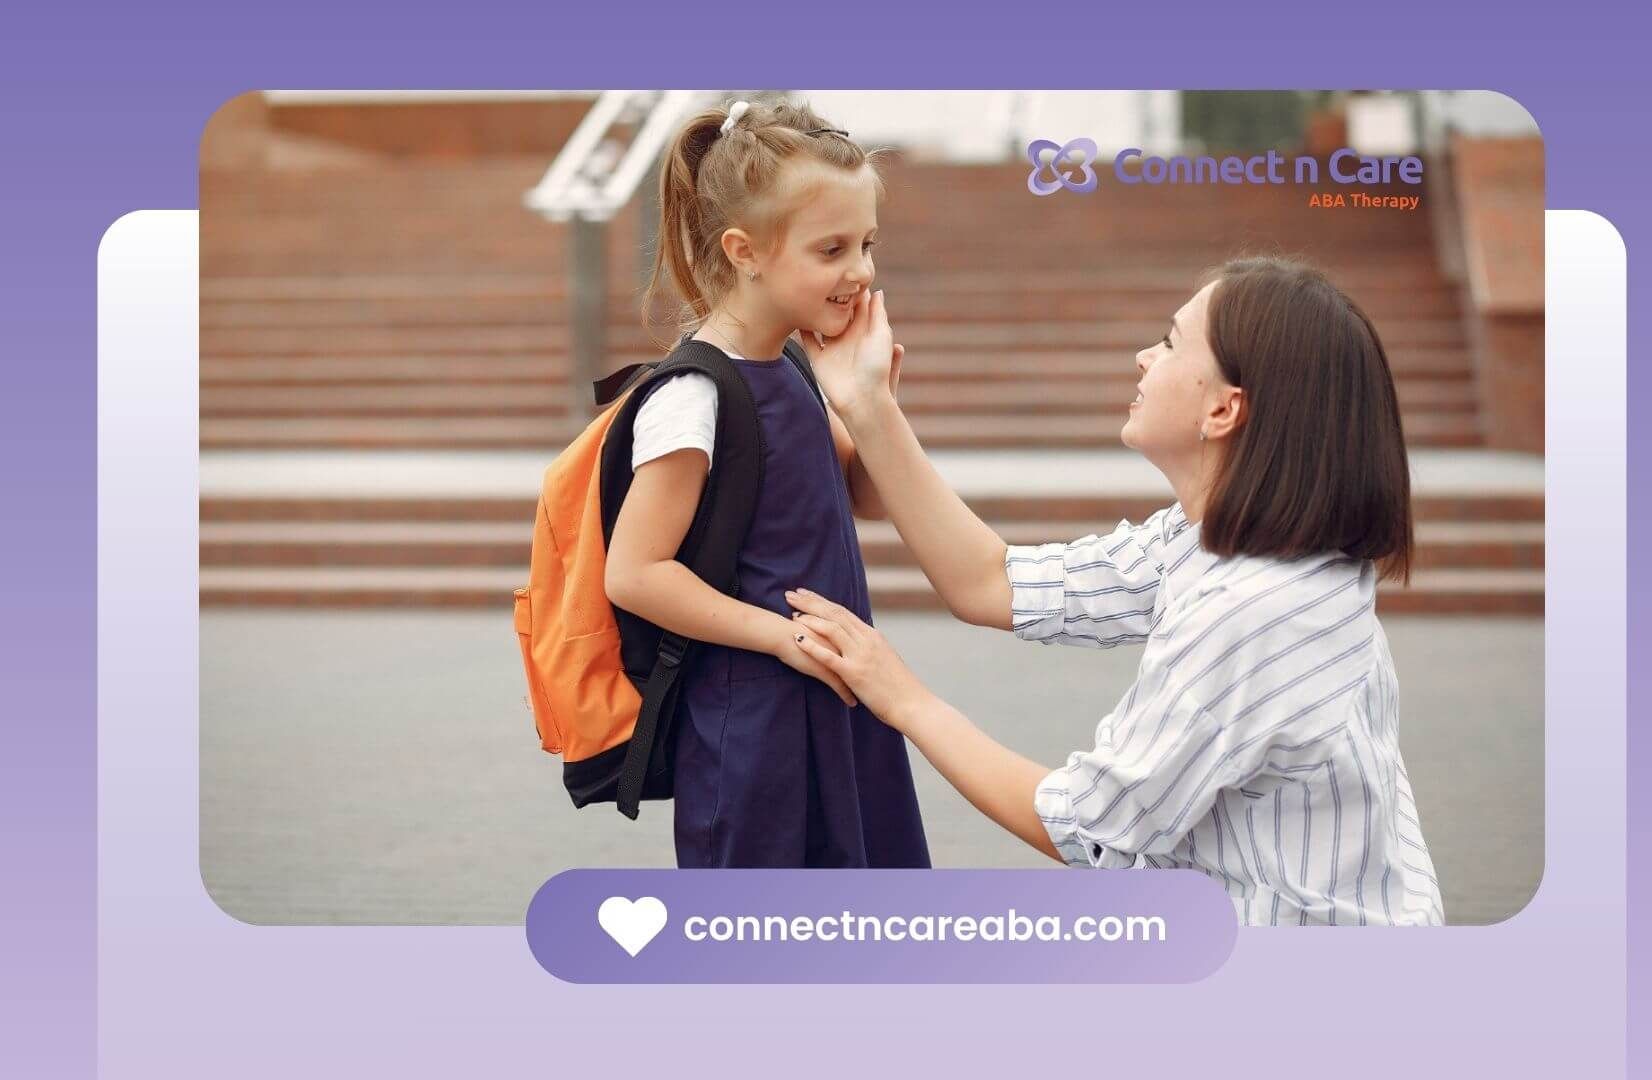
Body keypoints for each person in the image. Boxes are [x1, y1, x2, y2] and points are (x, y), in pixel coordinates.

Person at [786, 260, 1444, 924]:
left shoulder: (1256, 613)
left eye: (1168, 342)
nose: (1142, 359)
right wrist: (868, 404)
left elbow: (1090, 828)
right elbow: (991, 583)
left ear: (1223, 408)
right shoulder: (1207, 541)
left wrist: (904, 698)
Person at [601, 99, 930, 869]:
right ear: (745, 250)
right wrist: (783, 639)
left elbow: (865, 500)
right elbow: (635, 573)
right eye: (832, 249)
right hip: (757, 724)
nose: (862, 271)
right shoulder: (696, 395)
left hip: (837, 696)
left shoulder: (792, 362)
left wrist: (873, 404)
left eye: (867, 244)